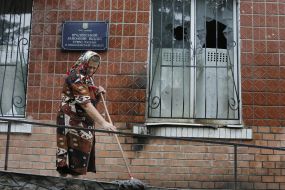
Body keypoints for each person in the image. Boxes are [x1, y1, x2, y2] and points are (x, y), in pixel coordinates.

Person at [56, 50, 116, 176]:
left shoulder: (88, 79)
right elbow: (86, 105)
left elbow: (90, 101)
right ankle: (66, 184)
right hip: (71, 121)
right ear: (84, 63)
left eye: (95, 68)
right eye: (90, 67)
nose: (92, 70)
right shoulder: (75, 76)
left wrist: (97, 93)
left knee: (80, 158)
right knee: (73, 157)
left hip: (83, 122)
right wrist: (104, 123)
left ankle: (74, 184)